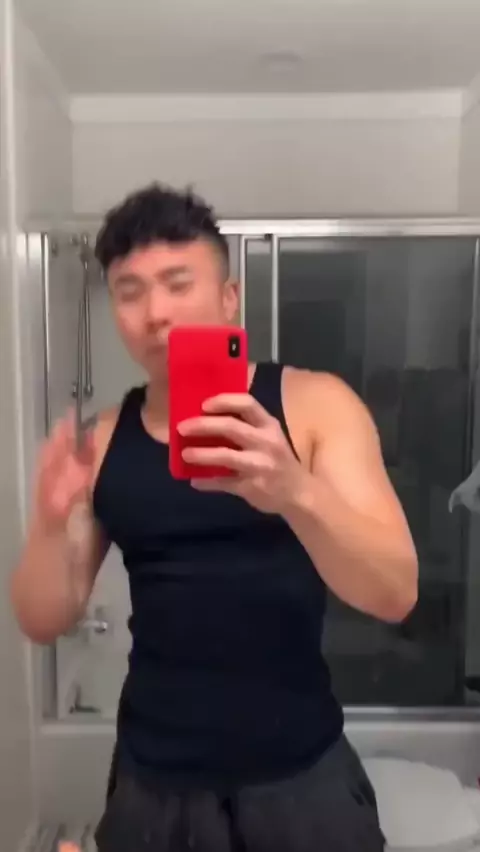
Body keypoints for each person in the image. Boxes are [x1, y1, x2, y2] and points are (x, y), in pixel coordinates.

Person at [11, 184, 418, 852]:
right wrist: (51, 524)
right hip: (153, 783)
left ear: (230, 298)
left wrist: (294, 491)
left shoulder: (315, 406)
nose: (155, 313)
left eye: (178, 283)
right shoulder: (104, 439)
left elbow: (395, 592)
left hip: (301, 774)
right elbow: (42, 619)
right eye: (129, 292)